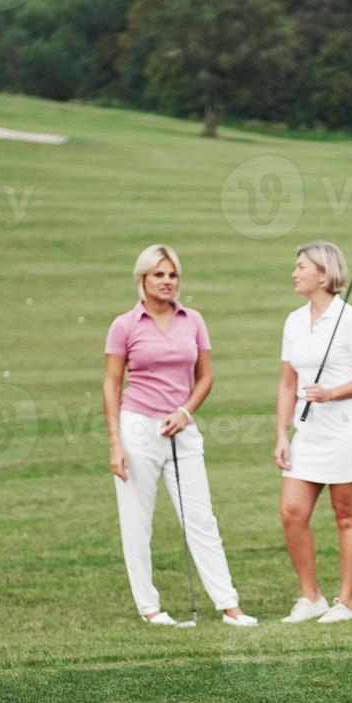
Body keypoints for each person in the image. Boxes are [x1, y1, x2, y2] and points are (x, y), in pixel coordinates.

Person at [103, 244, 256, 629]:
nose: (167, 282)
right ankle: (149, 607)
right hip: (137, 428)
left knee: (202, 519)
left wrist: (186, 411)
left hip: (183, 429)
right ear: (143, 279)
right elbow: (111, 384)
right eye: (159, 275)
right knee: (137, 522)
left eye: (173, 275)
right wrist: (116, 443)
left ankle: (229, 605)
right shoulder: (125, 325)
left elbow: (205, 376)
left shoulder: (194, 320)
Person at [274, 242, 352, 624]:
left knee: (346, 516)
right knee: (292, 512)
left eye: (301, 266)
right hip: (308, 434)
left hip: (348, 433)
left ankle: (346, 603)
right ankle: (311, 597)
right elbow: (288, 382)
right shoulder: (293, 321)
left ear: (323, 274)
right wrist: (281, 434)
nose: (295, 272)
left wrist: (331, 393)